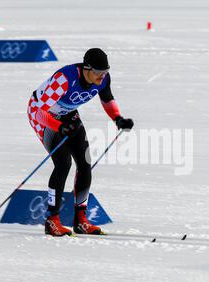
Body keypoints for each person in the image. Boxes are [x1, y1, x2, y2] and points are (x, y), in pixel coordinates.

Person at [27, 48, 134, 236]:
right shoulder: (65, 79)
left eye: (105, 72)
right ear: (86, 69)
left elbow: (107, 99)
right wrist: (58, 127)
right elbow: (39, 112)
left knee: (84, 163)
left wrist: (118, 118)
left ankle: (80, 220)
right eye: (98, 73)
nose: (102, 77)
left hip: (68, 114)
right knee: (63, 163)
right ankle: (52, 221)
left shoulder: (103, 79)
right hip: (42, 115)